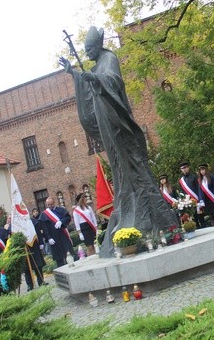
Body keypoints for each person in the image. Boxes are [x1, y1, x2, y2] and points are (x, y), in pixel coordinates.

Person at [60, 26, 175, 258]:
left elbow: (113, 81)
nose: (89, 53)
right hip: (107, 125)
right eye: (86, 50)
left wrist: (97, 79)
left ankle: (147, 212)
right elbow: (90, 83)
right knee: (119, 169)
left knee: (132, 167)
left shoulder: (109, 58)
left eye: (90, 48)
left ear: (98, 45)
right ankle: (126, 206)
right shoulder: (96, 64)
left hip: (118, 126)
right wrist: (75, 74)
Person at [39, 196, 75, 267]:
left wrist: (61, 221)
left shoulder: (61, 210)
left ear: (54, 203)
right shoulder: (44, 214)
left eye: (51, 204)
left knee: (68, 254)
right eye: (48, 205)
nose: (50, 206)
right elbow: (44, 228)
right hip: (53, 238)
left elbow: (68, 217)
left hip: (63, 234)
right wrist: (49, 238)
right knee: (59, 258)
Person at [23, 213, 47, 292]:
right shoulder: (16, 224)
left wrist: (41, 243)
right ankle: (30, 285)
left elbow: (38, 233)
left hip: (34, 246)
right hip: (23, 248)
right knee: (27, 268)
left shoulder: (33, 221)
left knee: (38, 265)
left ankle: (41, 281)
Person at [178, 162, 205, 228]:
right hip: (189, 203)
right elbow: (182, 192)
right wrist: (182, 201)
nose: (184, 169)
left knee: (201, 218)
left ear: (188, 168)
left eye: (185, 168)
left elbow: (199, 188)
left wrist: (201, 199)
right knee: (194, 218)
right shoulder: (181, 180)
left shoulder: (194, 176)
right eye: (182, 168)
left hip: (197, 201)